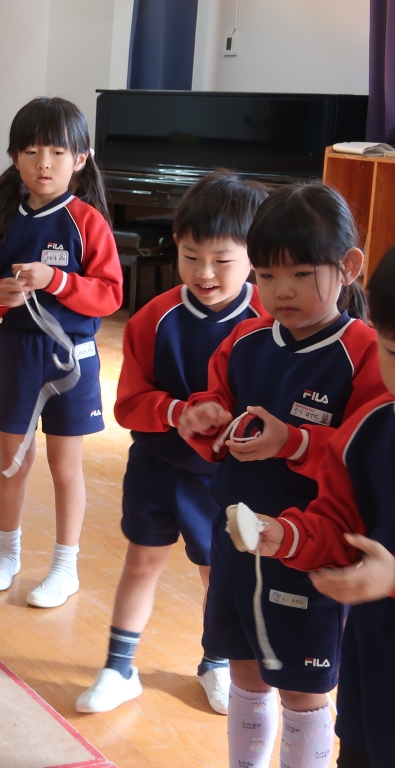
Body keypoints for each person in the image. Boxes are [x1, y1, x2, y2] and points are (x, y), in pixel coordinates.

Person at [177, 183, 387, 768]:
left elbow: (363, 461)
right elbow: (215, 411)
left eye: (300, 273)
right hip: (236, 543)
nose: (281, 291)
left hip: (311, 556)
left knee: (302, 691)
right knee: (244, 673)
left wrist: (291, 442)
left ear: (348, 267)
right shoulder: (244, 339)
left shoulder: (365, 352)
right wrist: (203, 418)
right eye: (267, 275)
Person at [76, 172, 267, 714]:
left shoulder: (267, 322)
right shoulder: (152, 318)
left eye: (222, 260)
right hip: (156, 465)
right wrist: (178, 413)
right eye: (191, 256)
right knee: (141, 562)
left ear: (254, 256)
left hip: (226, 480)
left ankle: (216, 662)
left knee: (218, 574)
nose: (204, 273)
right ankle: (119, 668)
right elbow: (129, 403)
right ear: (176, 245)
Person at [0, 97, 122, 610]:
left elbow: (110, 295)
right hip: (16, 353)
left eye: (57, 152)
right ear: (15, 157)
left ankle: (64, 567)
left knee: (64, 466)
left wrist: (56, 279)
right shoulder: (3, 220)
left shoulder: (87, 222)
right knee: (13, 461)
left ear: (80, 158)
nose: (44, 164)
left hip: (72, 358)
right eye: (32, 152)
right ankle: (6, 554)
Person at [251, 246, 395, 768]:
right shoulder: (371, 430)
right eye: (394, 352)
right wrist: (290, 537)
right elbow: (338, 524)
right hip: (372, 674)